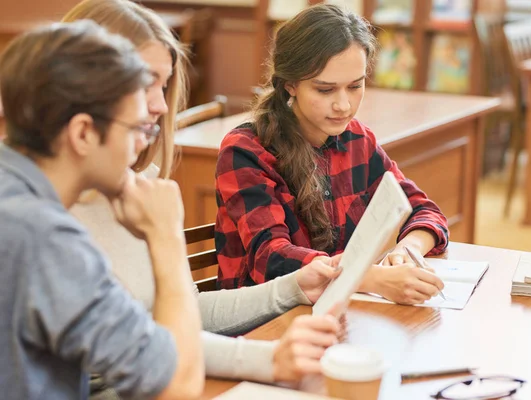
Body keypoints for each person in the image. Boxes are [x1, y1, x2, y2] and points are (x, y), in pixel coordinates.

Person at [62, 0, 342, 396]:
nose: (161, 106)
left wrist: (295, 287)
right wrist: (266, 359)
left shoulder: (136, 187)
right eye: (146, 84)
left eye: (164, 86)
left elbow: (182, 316)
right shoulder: (44, 216)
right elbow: (145, 351)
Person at [0, 21, 205, 399]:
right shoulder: (46, 239)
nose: (142, 143)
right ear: (83, 134)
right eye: (136, 129)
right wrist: (167, 235)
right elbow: (177, 385)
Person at [215, 3, 449, 305]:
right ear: (291, 86)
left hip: (334, 310)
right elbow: (271, 261)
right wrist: (371, 278)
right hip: (262, 321)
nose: (343, 105)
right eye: (325, 90)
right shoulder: (245, 151)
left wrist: (408, 248)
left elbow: (424, 210)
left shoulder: (356, 140)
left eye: (355, 86)